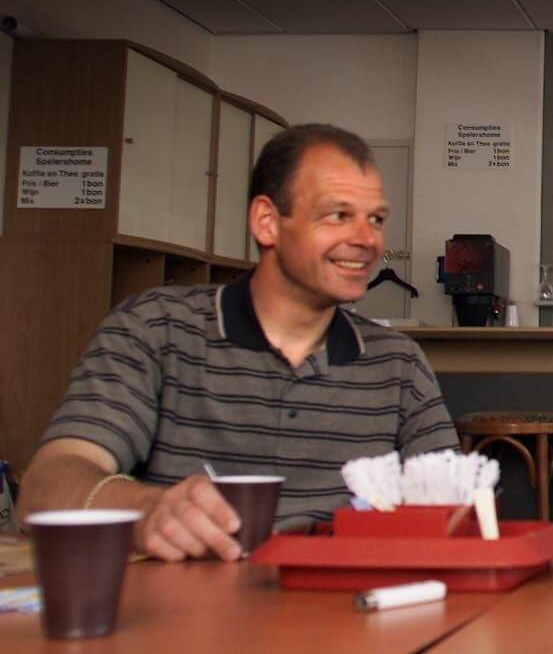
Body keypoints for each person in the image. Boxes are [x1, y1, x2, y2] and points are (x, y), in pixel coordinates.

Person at [17, 124, 460, 561]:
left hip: (345, 616)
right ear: (267, 223)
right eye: (338, 215)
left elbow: (456, 513)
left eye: (376, 219)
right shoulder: (155, 330)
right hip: (183, 620)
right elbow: (44, 487)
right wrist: (146, 509)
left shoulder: (398, 364)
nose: (367, 240)